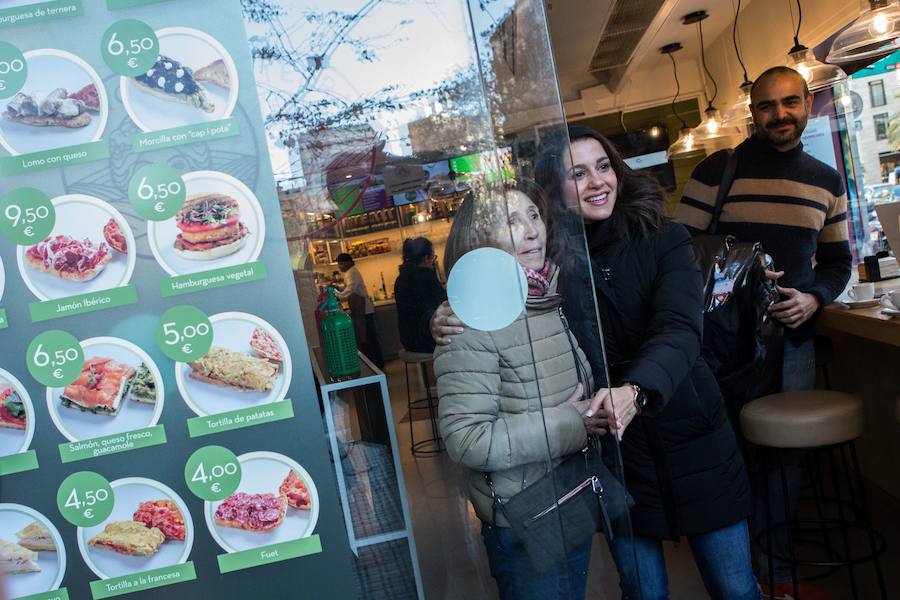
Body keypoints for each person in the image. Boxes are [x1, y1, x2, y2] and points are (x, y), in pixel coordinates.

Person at [433, 125, 759, 600]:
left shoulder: (662, 238)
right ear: (556, 193)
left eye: (603, 166)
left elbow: (679, 329)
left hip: (690, 432)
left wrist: (637, 390)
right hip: (617, 454)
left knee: (735, 587)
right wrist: (446, 313)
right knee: (644, 592)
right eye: (578, 173)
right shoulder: (550, 267)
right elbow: (494, 315)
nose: (597, 182)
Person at [675, 66, 852, 600]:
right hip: (722, 346)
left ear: (807, 102)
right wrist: (737, 269)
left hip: (790, 341)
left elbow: (839, 262)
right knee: (727, 455)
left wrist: (815, 296)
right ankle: (736, 575)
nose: (781, 115)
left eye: (790, 103)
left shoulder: (827, 180)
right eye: (768, 106)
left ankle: (772, 571)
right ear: (752, 113)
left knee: (782, 459)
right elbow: (678, 253)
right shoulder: (718, 170)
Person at [434, 179, 608, 600]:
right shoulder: (470, 319)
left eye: (533, 215)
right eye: (512, 221)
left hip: (568, 492)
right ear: (479, 240)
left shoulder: (544, 296)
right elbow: (466, 439)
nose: (532, 230)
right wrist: (574, 421)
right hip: (523, 516)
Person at [393, 237, 447, 354]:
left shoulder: (400, 279)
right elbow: (444, 302)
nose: (433, 261)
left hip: (408, 341)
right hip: (427, 339)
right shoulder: (426, 276)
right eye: (433, 257)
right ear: (426, 258)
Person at [336, 253, 384, 368]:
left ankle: (376, 365)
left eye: (341, 264)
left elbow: (350, 291)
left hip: (364, 311)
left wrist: (338, 296)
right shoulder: (351, 272)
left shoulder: (352, 272)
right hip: (363, 310)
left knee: (368, 339)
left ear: (348, 262)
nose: (339, 266)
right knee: (370, 339)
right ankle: (377, 364)